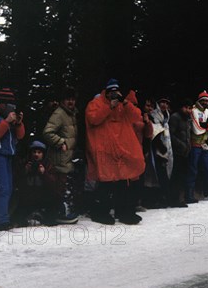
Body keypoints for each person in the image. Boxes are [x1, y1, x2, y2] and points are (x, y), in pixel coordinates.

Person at [85, 79, 145, 225]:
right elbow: (93, 118)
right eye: (111, 92)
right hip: (105, 150)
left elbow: (136, 116)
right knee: (106, 183)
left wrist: (125, 102)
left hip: (121, 150)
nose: (113, 95)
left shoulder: (122, 105)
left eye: (116, 92)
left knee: (123, 182)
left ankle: (124, 212)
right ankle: (100, 212)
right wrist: (109, 107)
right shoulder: (96, 104)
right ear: (106, 92)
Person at [0, 88, 25, 232]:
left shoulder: (7, 116)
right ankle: (0, 221)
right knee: (3, 188)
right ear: (2, 104)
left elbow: (20, 136)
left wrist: (18, 123)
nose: (12, 108)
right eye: (10, 105)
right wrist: (7, 121)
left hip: (9, 154)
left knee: (8, 188)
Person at [42, 86, 80, 224]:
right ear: (62, 101)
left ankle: (58, 213)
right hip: (58, 158)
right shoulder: (60, 114)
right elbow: (47, 132)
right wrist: (60, 142)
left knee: (61, 187)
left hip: (66, 158)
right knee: (57, 188)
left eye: (72, 99)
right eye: (68, 99)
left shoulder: (72, 113)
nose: (71, 102)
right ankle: (54, 216)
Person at [13, 141, 57, 226]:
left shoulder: (48, 164)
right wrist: (24, 171)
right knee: (18, 219)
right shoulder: (25, 163)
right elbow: (17, 182)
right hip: (27, 199)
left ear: (43, 154)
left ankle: (43, 215)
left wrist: (44, 173)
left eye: (39, 152)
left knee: (51, 219)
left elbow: (53, 184)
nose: (36, 155)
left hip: (43, 198)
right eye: (34, 152)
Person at [169, 98, 193, 207]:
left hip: (185, 152)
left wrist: (188, 146)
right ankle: (174, 199)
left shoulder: (188, 118)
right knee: (176, 176)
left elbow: (188, 134)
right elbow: (171, 135)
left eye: (190, 108)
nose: (188, 110)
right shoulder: (175, 117)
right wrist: (181, 145)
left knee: (182, 176)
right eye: (186, 108)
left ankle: (180, 198)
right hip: (177, 152)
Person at [150, 97, 174, 206]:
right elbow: (155, 133)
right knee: (158, 174)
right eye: (162, 102)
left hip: (167, 147)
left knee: (166, 173)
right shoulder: (154, 115)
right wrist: (160, 147)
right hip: (158, 149)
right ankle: (160, 198)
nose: (164, 105)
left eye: (166, 103)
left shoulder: (167, 116)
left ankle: (165, 197)